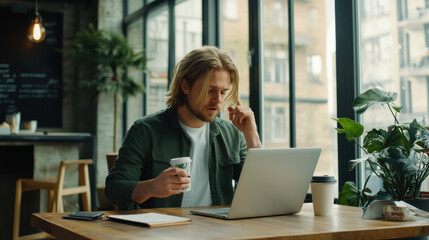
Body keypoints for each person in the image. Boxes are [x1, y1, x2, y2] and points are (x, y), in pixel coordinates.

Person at [105, 46, 262, 210]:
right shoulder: (145, 130)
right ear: (185, 86)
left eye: (223, 92)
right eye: (210, 90)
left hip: (218, 230)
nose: (218, 100)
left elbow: (260, 189)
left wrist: (252, 137)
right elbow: (114, 189)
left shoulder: (232, 135)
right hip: (163, 230)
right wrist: (151, 187)